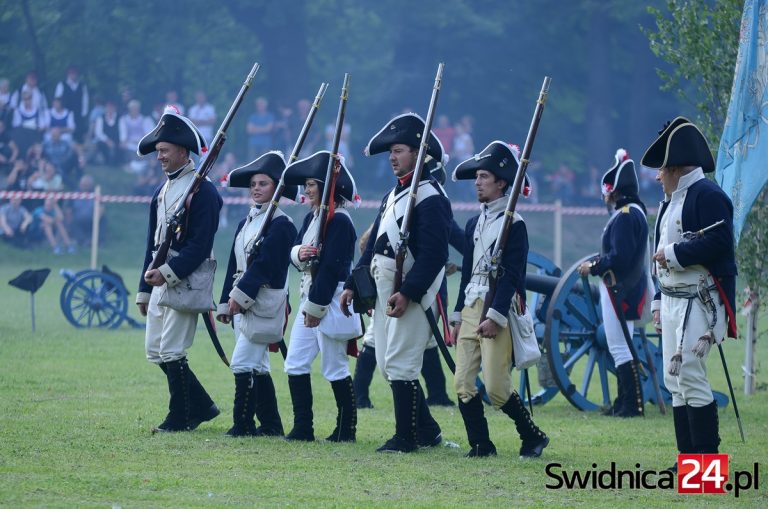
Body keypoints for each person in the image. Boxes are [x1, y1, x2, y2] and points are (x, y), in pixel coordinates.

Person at [340, 112, 449, 453]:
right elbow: (372, 247)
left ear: (419, 153)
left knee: (400, 364)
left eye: (400, 150)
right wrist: (351, 284)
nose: (392, 157)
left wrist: (408, 292)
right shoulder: (393, 196)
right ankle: (428, 430)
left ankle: (406, 438)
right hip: (386, 290)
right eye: (391, 152)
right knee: (388, 365)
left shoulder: (431, 196)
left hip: (410, 294)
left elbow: (433, 255)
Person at [642, 117, 737, 466]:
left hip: (701, 301)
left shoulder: (709, 195)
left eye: (662, 169)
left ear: (677, 168)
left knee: (692, 377)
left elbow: (721, 241)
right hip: (671, 299)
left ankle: (706, 471)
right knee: (674, 380)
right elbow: (659, 253)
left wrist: (674, 254)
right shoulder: (671, 200)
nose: (657, 176)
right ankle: (688, 464)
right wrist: (656, 299)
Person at [450, 140, 549, 458]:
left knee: (495, 386)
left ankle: (531, 436)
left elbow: (512, 277)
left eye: (484, 177)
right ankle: (481, 444)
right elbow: (467, 272)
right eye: (477, 177)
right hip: (470, 305)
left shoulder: (514, 225)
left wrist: (494, 316)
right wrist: (457, 314)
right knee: (463, 383)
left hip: (497, 308)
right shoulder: (472, 223)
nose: (477, 183)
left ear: (502, 183)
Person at [134, 107, 222, 433]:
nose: (159, 157)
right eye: (158, 151)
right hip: (160, 279)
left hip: (186, 280)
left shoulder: (204, 192)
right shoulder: (163, 191)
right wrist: (145, 290)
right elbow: (152, 244)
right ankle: (201, 406)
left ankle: (181, 416)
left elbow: (199, 247)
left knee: (172, 349)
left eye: (164, 151)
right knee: (155, 351)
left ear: (183, 152)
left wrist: (168, 273)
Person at [216, 151, 298, 438]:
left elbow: (265, 268)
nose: (256, 188)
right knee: (259, 366)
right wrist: (227, 300)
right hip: (240, 301)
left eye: (263, 183)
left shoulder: (282, 225)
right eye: (253, 183)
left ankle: (243, 424)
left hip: (264, 303)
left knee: (242, 363)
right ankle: (271, 425)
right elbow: (234, 265)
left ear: (276, 188)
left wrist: (239, 296)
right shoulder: (246, 223)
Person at [282, 150, 361, 442]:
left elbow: (331, 269)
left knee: (334, 366)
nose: (306, 189)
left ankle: (346, 430)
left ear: (328, 186)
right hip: (310, 299)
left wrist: (316, 307)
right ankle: (303, 427)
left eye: (312, 184)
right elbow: (296, 253)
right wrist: (298, 254)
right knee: (295, 363)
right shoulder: (313, 217)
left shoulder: (339, 221)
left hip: (329, 300)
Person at [577, 148, 649, 418]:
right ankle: (625, 402)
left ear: (616, 191)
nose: (605, 195)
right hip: (621, 287)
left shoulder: (626, 216)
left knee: (620, 346)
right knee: (621, 344)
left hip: (621, 288)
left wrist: (594, 266)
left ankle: (632, 405)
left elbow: (619, 257)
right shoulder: (630, 214)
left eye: (608, 190)